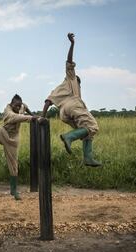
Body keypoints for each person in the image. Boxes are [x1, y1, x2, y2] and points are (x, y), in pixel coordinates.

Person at [42, 33, 101, 167]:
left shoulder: (57, 89)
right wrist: (72, 44)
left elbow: (47, 102)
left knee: (87, 132)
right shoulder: (72, 78)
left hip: (63, 113)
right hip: (73, 105)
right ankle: (69, 137)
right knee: (92, 126)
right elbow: (69, 61)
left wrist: (43, 118)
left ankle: (88, 158)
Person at [0, 94, 37, 200]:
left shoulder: (21, 106)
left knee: (13, 164)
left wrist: (33, 114)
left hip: (13, 139)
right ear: (11, 104)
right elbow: (17, 117)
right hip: (3, 133)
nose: (18, 108)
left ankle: (13, 190)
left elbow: (25, 107)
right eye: (16, 106)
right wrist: (32, 118)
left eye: (19, 106)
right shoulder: (8, 111)